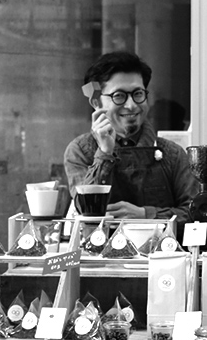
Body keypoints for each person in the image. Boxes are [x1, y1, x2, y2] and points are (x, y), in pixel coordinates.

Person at [64, 51, 198, 237]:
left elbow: (196, 214)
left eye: (138, 94)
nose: (132, 105)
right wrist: (104, 153)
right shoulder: (80, 151)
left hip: (163, 254)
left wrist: (146, 215)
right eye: (119, 96)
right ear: (96, 102)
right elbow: (86, 213)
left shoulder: (172, 154)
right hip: (101, 254)